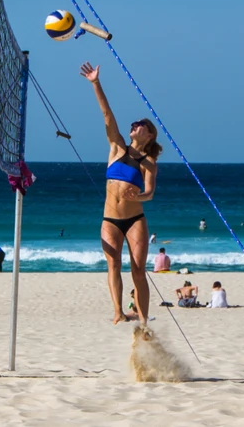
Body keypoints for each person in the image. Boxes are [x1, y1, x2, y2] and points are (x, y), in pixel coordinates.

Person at [82, 61, 160, 325]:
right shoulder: (117, 148)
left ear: (149, 134)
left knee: (138, 271)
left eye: (140, 124)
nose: (134, 125)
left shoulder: (148, 162)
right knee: (113, 263)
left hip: (135, 219)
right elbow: (107, 115)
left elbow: (149, 193)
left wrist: (137, 197)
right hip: (110, 219)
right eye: (134, 123)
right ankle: (118, 311)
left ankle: (144, 320)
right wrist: (95, 83)